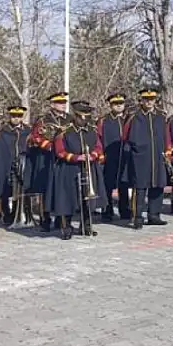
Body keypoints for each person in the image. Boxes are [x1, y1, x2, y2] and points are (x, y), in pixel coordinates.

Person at [49, 101, 106, 240]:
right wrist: (76, 157)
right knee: (67, 200)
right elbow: (59, 151)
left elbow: (98, 147)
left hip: (88, 167)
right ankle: (66, 227)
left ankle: (86, 226)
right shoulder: (64, 131)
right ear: (75, 116)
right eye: (81, 118)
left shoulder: (92, 129)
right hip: (69, 169)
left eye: (86, 117)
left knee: (87, 199)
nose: (84, 121)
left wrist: (92, 155)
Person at [121, 89, 173, 229]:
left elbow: (166, 136)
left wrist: (168, 151)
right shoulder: (134, 116)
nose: (149, 102)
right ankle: (137, 216)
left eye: (151, 99)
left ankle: (154, 215)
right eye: (146, 99)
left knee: (158, 185)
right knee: (139, 187)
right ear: (141, 100)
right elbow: (125, 136)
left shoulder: (161, 116)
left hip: (158, 155)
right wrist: (133, 151)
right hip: (140, 157)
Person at [0, 105, 32, 227]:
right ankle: (6, 214)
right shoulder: (2, 131)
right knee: (4, 189)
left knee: (20, 189)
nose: (16, 118)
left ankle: (18, 214)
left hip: (22, 163)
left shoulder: (27, 131)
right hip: (5, 164)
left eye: (19, 116)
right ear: (10, 116)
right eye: (14, 116)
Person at [28, 92, 71, 232]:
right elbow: (35, 137)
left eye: (64, 102)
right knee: (45, 188)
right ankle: (45, 220)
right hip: (46, 158)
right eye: (59, 102)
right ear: (52, 104)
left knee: (61, 188)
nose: (63, 105)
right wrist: (50, 146)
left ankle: (61, 219)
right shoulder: (43, 120)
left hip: (63, 158)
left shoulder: (70, 119)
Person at [97, 93, 130, 222]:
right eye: (115, 104)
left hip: (125, 156)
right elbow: (98, 138)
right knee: (107, 185)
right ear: (110, 105)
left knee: (124, 184)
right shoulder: (103, 120)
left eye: (121, 103)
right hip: (109, 157)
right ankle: (107, 210)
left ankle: (124, 210)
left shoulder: (128, 119)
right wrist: (100, 154)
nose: (118, 106)